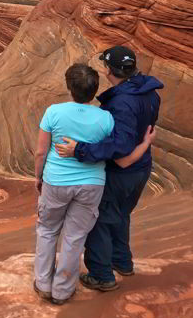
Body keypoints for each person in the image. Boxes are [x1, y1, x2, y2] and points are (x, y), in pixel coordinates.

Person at [34, 63, 154, 305]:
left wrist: (39, 177)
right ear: (94, 89)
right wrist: (145, 144)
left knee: (47, 231)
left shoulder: (53, 112)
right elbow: (115, 152)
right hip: (91, 185)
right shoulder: (106, 118)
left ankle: (43, 283)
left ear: (69, 87)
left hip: (56, 181)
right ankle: (63, 290)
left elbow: (40, 152)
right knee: (75, 237)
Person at [55, 46, 163, 292]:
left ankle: (102, 276)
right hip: (141, 167)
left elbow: (121, 146)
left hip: (122, 173)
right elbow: (140, 132)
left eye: (105, 65)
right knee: (120, 215)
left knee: (100, 221)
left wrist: (80, 150)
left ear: (110, 71)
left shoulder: (122, 102)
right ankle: (122, 262)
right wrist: (144, 145)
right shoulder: (149, 92)